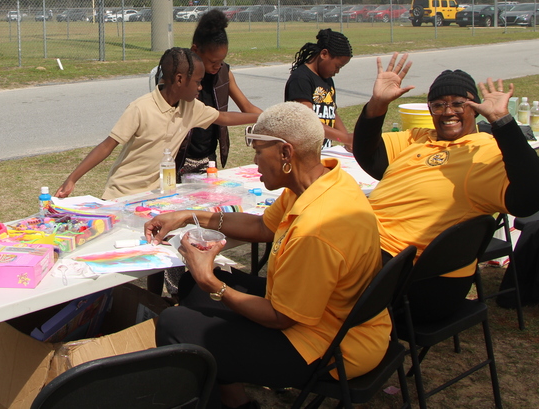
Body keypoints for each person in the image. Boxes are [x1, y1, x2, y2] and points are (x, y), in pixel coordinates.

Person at [149, 103, 389, 409]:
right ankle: (236, 400)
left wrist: (211, 281)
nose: (255, 160)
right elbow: (262, 225)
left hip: (331, 347)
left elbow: (280, 318)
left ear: (286, 153)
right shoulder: (321, 182)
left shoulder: (316, 229)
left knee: (175, 323)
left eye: (260, 150)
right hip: (324, 318)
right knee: (190, 289)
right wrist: (188, 216)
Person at [352, 53, 539, 323]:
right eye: (438, 105)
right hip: (371, 249)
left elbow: (534, 197)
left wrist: (502, 123)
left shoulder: (485, 152)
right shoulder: (419, 138)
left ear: (475, 108)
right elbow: (369, 156)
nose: (448, 112)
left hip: (411, 276)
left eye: (459, 103)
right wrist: (377, 105)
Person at [55, 47, 258, 200]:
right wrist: (72, 178)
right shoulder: (141, 108)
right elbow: (107, 146)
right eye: (197, 81)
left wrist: (264, 117)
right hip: (122, 194)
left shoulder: (191, 107)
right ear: (180, 80)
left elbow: (224, 118)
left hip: (155, 196)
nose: (200, 86)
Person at [176, 9, 262, 175]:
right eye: (213, 61)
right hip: (178, 158)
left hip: (208, 158)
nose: (218, 66)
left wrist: (275, 118)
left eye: (222, 61)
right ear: (195, 50)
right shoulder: (179, 76)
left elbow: (246, 106)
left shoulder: (223, 73)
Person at [284, 28, 353, 148]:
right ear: (324, 54)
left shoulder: (327, 79)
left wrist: (347, 140)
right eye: (337, 66)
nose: (337, 71)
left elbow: (331, 112)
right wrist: (345, 138)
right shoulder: (301, 79)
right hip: (303, 153)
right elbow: (307, 120)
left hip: (323, 151)